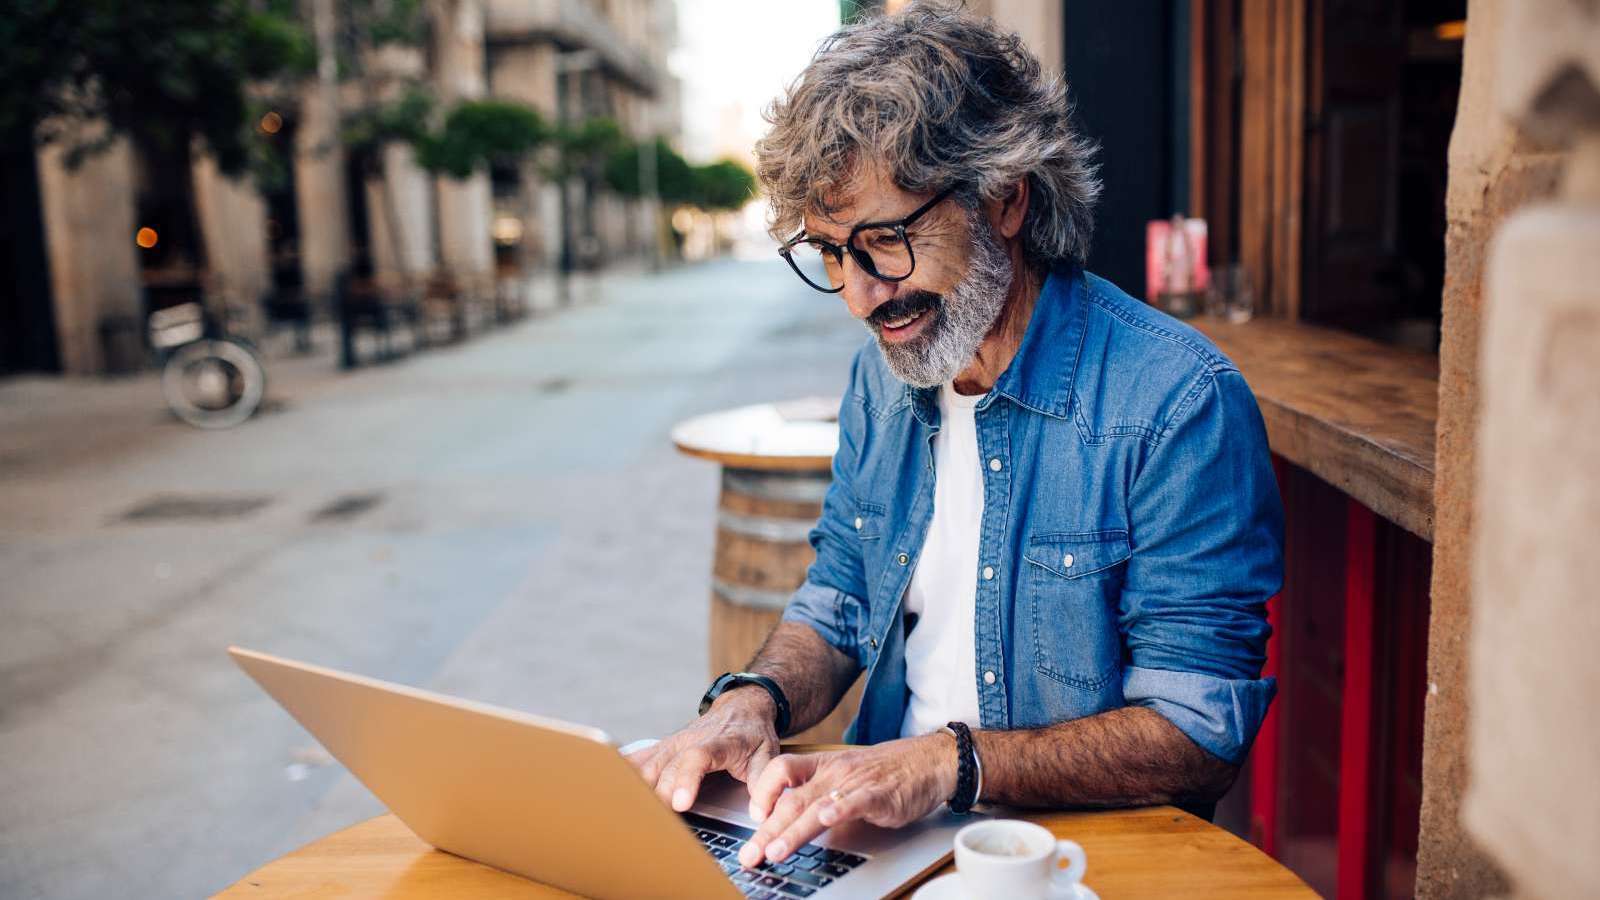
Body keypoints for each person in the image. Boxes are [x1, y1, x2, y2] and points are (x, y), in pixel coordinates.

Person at [628, 2, 1283, 870]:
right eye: (830, 252)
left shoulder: (1177, 404)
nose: (861, 296)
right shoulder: (884, 375)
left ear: (1004, 198)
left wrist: (948, 763)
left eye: (887, 241)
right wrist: (754, 700)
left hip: (1073, 858)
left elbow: (1198, 732)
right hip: (875, 836)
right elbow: (844, 591)